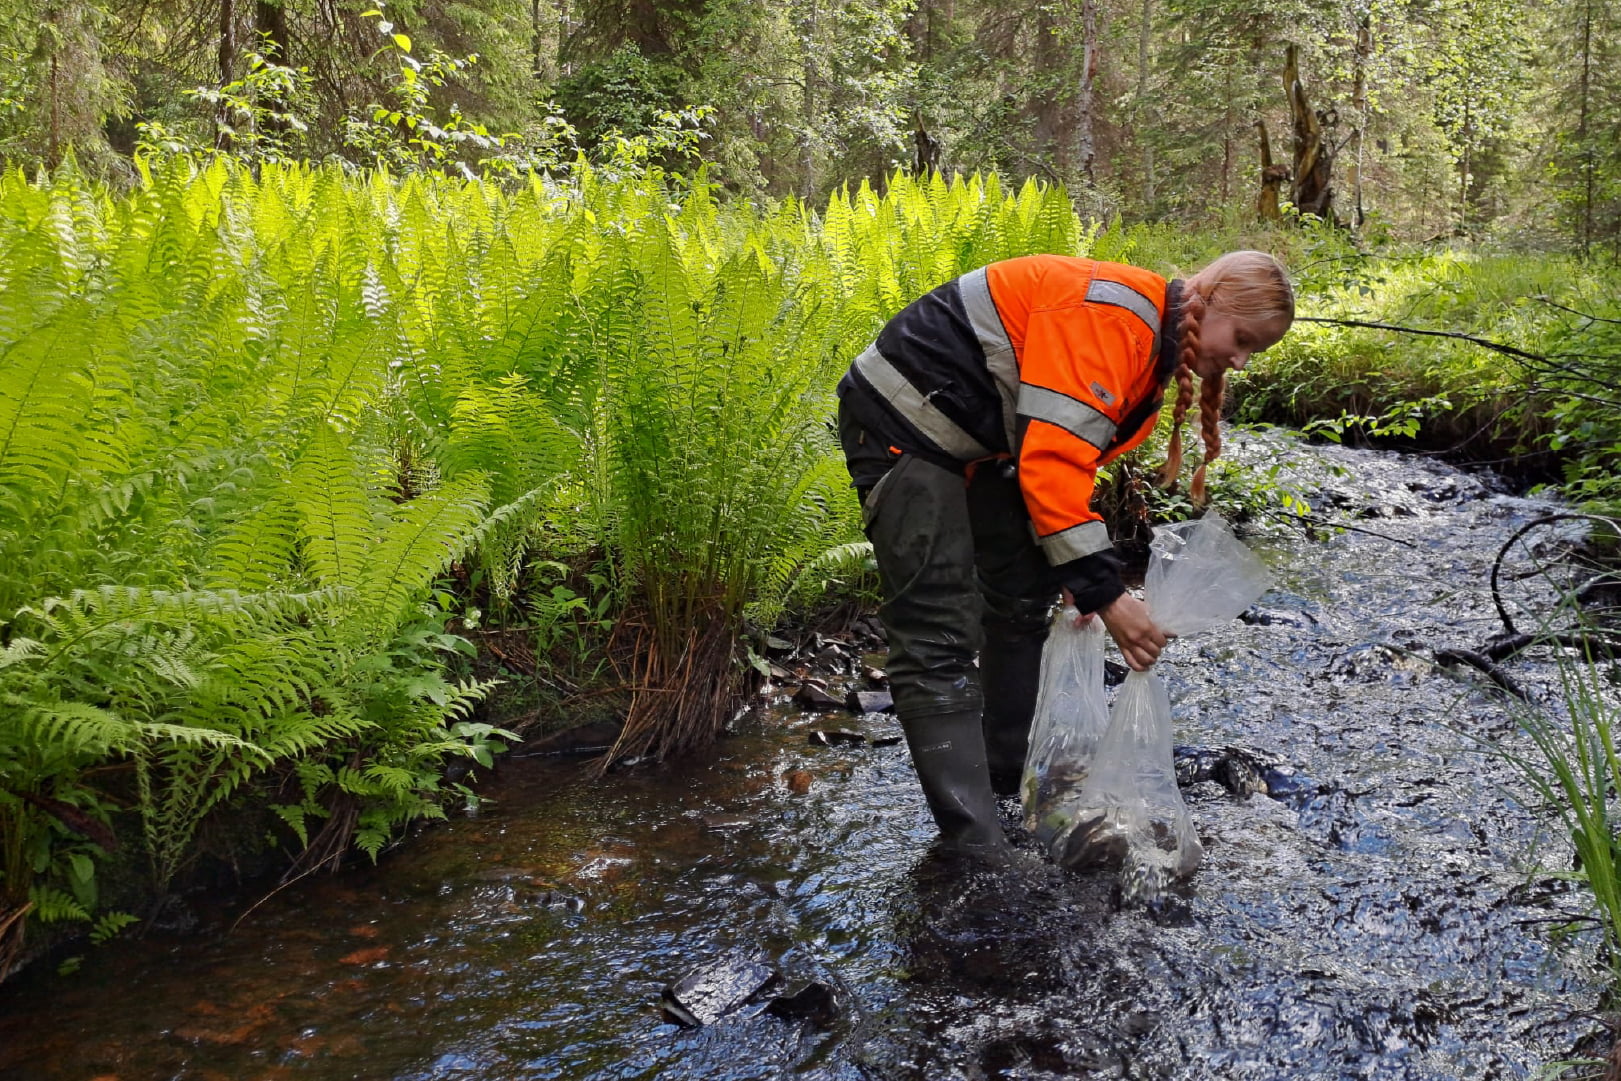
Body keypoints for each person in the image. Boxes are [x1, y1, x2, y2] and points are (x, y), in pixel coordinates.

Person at [836, 250, 1295, 862]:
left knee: (1023, 597)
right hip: (905, 417)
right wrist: (1106, 592)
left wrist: (1075, 570)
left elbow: (1065, 463)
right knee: (935, 630)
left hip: (988, 442)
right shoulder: (1115, 319)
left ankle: (1006, 781)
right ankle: (975, 847)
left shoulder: (1148, 352)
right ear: (1206, 301)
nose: (1238, 361)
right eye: (1240, 340)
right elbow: (1051, 464)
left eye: (1252, 352)